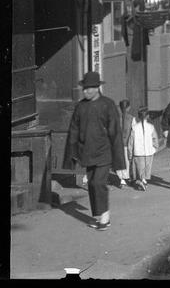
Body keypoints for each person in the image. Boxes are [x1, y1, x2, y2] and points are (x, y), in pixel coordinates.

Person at [67, 71, 125, 231]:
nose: (86, 91)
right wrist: (72, 153)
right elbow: (74, 130)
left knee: (98, 182)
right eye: (84, 88)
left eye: (89, 88)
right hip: (87, 152)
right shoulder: (80, 106)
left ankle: (105, 218)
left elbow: (115, 132)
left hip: (104, 152)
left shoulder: (108, 104)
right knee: (92, 184)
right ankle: (97, 216)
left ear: (97, 88)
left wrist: (118, 159)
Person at [128, 106, 158, 191]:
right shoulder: (151, 127)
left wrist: (130, 153)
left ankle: (141, 180)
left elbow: (131, 141)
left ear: (138, 116)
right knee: (146, 168)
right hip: (149, 151)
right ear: (147, 116)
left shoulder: (134, 127)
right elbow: (155, 138)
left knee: (139, 168)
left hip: (138, 152)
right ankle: (143, 181)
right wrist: (155, 148)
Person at [116, 99, 136, 188]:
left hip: (117, 144)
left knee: (119, 162)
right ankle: (127, 178)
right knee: (128, 161)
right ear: (129, 108)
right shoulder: (132, 118)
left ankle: (122, 180)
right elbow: (134, 132)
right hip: (127, 143)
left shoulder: (116, 118)